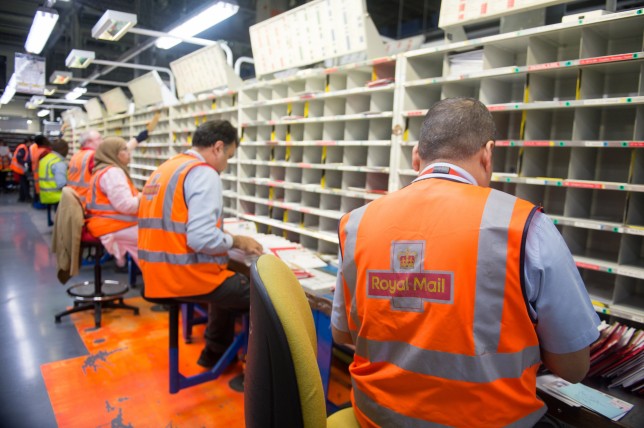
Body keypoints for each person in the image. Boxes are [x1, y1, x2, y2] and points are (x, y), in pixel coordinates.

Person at [331, 97, 600, 427]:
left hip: (375, 418)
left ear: (417, 156)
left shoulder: (356, 223)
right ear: (487, 154)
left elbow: (342, 333)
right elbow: (574, 368)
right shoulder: (525, 226)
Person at [138, 120, 263, 368]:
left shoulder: (167, 168)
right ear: (217, 147)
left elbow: (179, 222)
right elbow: (200, 238)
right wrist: (237, 241)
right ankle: (257, 374)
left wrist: (220, 235)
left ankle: (215, 353)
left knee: (227, 283)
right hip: (183, 274)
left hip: (155, 273)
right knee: (263, 297)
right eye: (228, 156)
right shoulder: (204, 173)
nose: (226, 165)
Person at [67, 112, 160, 207]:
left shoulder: (77, 155)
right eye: (99, 138)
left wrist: (137, 140)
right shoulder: (94, 157)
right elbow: (115, 154)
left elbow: (116, 152)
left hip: (78, 201)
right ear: (88, 142)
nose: (102, 141)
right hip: (86, 203)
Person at [85, 137, 140, 268]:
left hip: (105, 224)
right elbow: (127, 206)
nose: (129, 153)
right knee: (156, 239)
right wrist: (144, 198)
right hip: (113, 226)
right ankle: (157, 282)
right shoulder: (113, 173)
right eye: (125, 150)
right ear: (115, 154)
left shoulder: (103, 170)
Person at [39, 139, 69, 205]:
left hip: (45, 195)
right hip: (57, 196)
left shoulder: (45, 159)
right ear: (63, 149)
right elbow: (62, 184)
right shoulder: (58, 163)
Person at [30, 135, 52, 204]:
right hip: (45, 178)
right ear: (43, 141)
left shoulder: (38, 151)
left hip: (39, 177)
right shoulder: (44, 152)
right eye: (46, 139)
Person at [10, 137, 33, 202]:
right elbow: (19, 158)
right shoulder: (22, 148)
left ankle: (22, 198)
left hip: (20, 169)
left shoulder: (24, 148)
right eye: (31, 143)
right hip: (19, 169)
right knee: (24, 184)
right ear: (28, 142)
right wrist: (25, 163)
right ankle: (27, 197)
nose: (31, 145)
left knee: (23, 183)